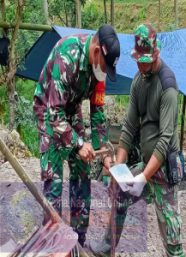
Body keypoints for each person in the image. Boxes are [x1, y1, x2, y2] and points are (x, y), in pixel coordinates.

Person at [89, 23, 184, 257]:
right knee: (121, 193)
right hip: (145, 162)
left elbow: (165, 139)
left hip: (163, 168)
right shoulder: (138, 82)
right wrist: (121, 168)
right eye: (138, 60)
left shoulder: (168, 86)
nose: (141, 65)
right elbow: (129, 127)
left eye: (145, 60)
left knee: (170, 232)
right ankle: (107, 247)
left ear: (156, 54)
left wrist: (144, 176)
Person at [33, 24, 120, 246]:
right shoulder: (67, 56)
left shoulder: (99, 71)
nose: (104, 73)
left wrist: (104, 155)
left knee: (82, 170)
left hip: (70, 111)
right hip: (49, 111)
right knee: (54, 180)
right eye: (104, 65)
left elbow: (98, 111)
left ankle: (77, 242)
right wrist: (79, 143)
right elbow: (54, 112)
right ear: (97, 51)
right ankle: (51, 242)